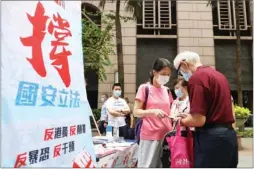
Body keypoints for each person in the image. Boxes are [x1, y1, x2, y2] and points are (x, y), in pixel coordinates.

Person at [173, 51, 238, 167]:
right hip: (229, 137)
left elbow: (199, 120)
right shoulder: (219, 76)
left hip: (211, 139)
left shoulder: (197, 79)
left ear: (184, 64)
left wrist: (180, 120)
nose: (182, 75)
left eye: (180, 71)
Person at [133, 58, 174, 168]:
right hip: (150, 135)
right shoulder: (144, 88)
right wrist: (153, 111)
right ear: (154, 72)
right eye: (163, 73)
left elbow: (171, 110)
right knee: (147, 165)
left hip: (166, 136)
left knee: (163, 165)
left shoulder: (167, 90)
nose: (166, 77)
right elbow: (136, 112)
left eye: (168, 74)